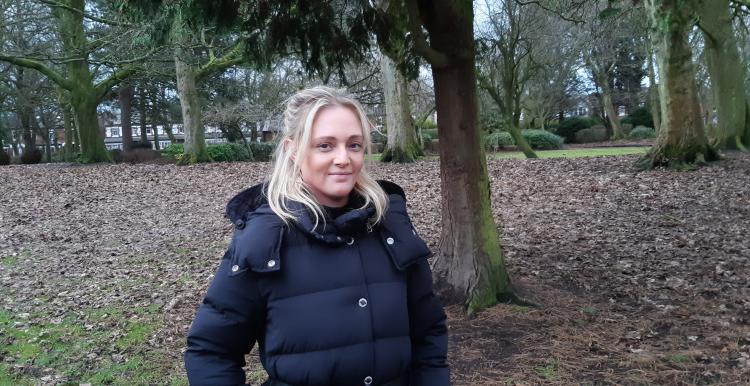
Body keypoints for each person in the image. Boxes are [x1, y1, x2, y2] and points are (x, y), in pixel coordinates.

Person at [184, 86, 449, 386]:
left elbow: (429, 333)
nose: (343, 159)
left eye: (354, 145)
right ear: (293, 150)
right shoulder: (263, 239)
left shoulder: (390, 226)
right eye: (325, 145)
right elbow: (211, 351)